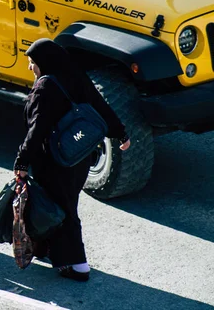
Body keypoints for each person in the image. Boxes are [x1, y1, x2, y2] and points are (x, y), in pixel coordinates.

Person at [13, 38, 131, 281]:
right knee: (60, 203)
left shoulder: (45, 88)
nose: (30, 67)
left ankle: (78, 264)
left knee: (62, 209)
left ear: (44, 62)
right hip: (78, 156)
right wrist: (120, 131)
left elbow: (37, 130)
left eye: (32, 62)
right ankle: (48, 250)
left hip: (54, 161)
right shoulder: (75, 75)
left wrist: (22, 162)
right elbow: (99, 105)